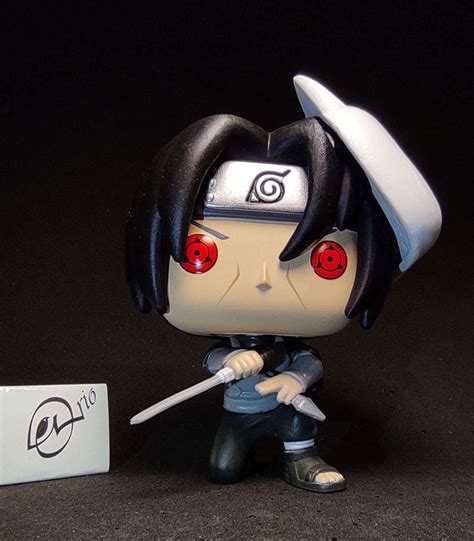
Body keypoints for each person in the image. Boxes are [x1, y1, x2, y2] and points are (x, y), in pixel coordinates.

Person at [125, 76, 441, 492]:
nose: (262, 281)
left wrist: (295, 380)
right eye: (203, 253)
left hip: (290, 408)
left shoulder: (288, 350)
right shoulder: (233, 342)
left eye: (327, 260)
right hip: (238, 413)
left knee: (298, 431)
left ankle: (301, 459)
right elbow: (212, 359)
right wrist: (228, 360)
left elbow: (308, 362)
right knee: (223, 470)